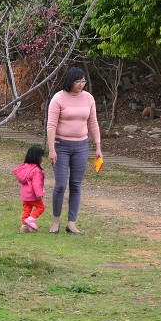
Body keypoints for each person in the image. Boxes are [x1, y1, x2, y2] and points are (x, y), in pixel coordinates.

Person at [46, 67, 102, 235]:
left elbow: (93, 123)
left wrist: (98, 146)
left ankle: (72, 223)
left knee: (76, 185)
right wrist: (51, 149)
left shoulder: (89, 98)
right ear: (70, 81)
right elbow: (51, 125)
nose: (81, 84)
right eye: (78, 81)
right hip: (61, 146)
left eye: (83, 81)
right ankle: (56, 222)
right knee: (61, 184)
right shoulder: (58, 98)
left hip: (81, 146)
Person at [14, 145, 46, 233]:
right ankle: (31, 219)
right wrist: (39, 194)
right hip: (33, 195)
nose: (42, 159)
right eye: (41, 157)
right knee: (41, 207)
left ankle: (24, 226)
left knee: (27, 209)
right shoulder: (36, 170)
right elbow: (36, 184)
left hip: (25, 195)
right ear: (37, 158)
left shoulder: (24, 167)